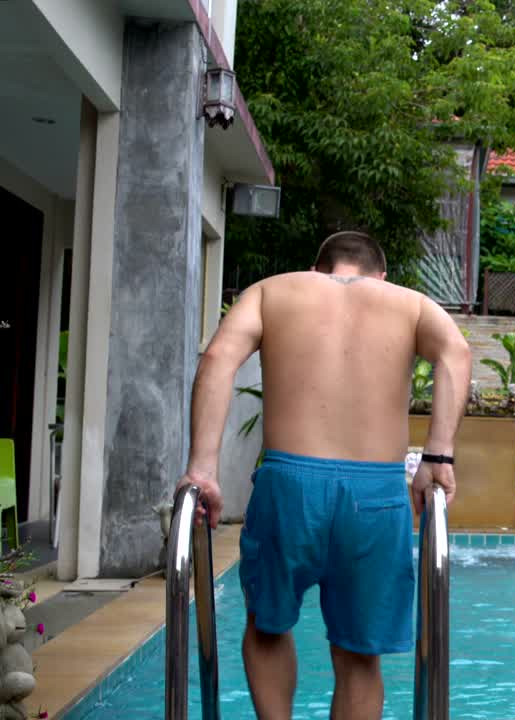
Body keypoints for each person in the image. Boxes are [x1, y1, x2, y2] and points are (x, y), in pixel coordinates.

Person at [178, 231, 472, 720]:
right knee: (359, 655)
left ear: (317, 269)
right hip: (376, 494)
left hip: (288, 484)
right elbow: (456, 354)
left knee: (268, 626)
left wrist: (202, 468)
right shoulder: (410, 303)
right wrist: (438, 457)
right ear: (381, 276)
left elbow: (218, 360)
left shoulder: (272, 291)